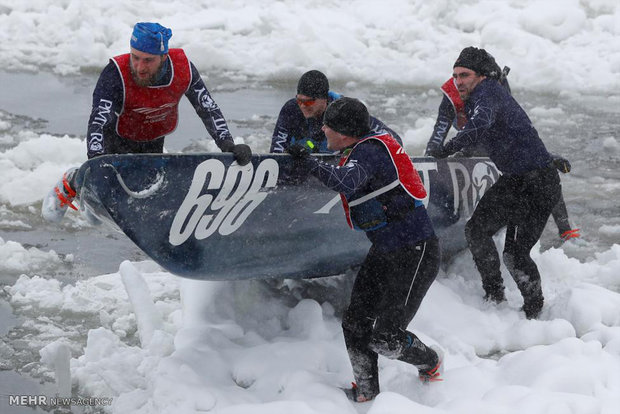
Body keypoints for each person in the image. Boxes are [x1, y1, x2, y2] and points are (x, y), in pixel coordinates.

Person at [288, 98, 442, 402]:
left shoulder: (370, 151)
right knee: (355, 324)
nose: (322, 129)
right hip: (386, 250)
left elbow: (347, 181)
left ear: (345, 133)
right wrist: (302, 149)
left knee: (386, 339)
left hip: (416, 252)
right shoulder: (354, 147)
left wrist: (308, 161)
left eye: (327, 126)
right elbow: (330, 155)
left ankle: (431, 362)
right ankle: (367, 392)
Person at [42, 22, 252, 222]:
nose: (140, 67)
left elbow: (207, 107)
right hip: (117, 137)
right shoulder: (116, 73)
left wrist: (228, 144)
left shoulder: (183, 69)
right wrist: (96, 162)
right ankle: (74, 181)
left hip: (152, 138)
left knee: (144, 197)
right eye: (136, 57)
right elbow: (99, 120)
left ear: (163, 57)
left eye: (148, 60)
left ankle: (99, 203)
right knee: (108, 200)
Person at [427, 46, 563, 319]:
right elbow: (517, 133)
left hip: (538, 186)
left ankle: (534, 313)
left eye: (464, 75)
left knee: (514, 255)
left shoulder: (488, 93)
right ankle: (494, 294)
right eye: (455, 75)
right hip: (514, 181)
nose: (458, 81)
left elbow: (479, 125)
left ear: (482, 76)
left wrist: (448, 148)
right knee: (476, 230)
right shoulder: (480, 95)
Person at [424, 52, 580, 245]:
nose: (459, 81)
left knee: (540, 170)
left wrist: (546, 156)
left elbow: (513, 133)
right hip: (468, 140)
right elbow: (440, 128)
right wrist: (430, 157)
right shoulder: (455, 90)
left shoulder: (494, 86)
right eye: (457, 76)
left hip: (494, 141)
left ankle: (565, 229)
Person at [270, 70, 402, 154]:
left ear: (324, 99)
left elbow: (394, 140)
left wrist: (362, 156)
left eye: (309, 102)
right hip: (307, 164)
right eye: (299, 100)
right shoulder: (291, 109)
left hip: (341, 168)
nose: (303, 106)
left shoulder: (345, 110)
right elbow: (275, 155)